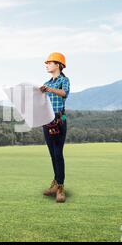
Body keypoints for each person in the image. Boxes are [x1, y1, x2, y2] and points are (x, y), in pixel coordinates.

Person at [39, 52, 70, 203]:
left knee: (58, 153)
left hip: (59, 120)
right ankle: (55, 182)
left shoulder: (64, 80)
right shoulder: (47, 83)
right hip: (47, 121)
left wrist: (49, 90)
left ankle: (60, 188)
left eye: (49, 63)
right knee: (52, 154)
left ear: (58, 65)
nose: (47, 65)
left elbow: (64, 93)